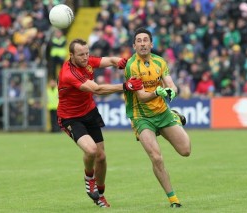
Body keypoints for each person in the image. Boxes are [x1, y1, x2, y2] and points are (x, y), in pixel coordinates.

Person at [56, 38, 143, 208]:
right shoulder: (69, 73)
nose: (86, 57)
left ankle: (100, 195)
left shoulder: (87, 61)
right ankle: (89, 177)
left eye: (87, 53)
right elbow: (97, 89)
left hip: (89, 112)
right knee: (91, 150)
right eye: (81, 55)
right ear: (71, 55)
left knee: (101, 157)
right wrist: (126, 86)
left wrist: (123, 62)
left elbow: (110, 60)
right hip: (70, 117)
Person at [123, 28, 191, 208]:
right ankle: (173, 199)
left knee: (186, 150)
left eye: (146, 40)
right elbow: (142, 96)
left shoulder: (160, 61)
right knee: (156, 157)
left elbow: (171, 84)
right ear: (134, 45)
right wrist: (158, 91)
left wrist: (171, 90)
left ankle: (173, 116)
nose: (143, 43)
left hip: (162, 112)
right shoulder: (131, 66)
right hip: (141, 116)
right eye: (139, 40)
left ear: (151, 44)